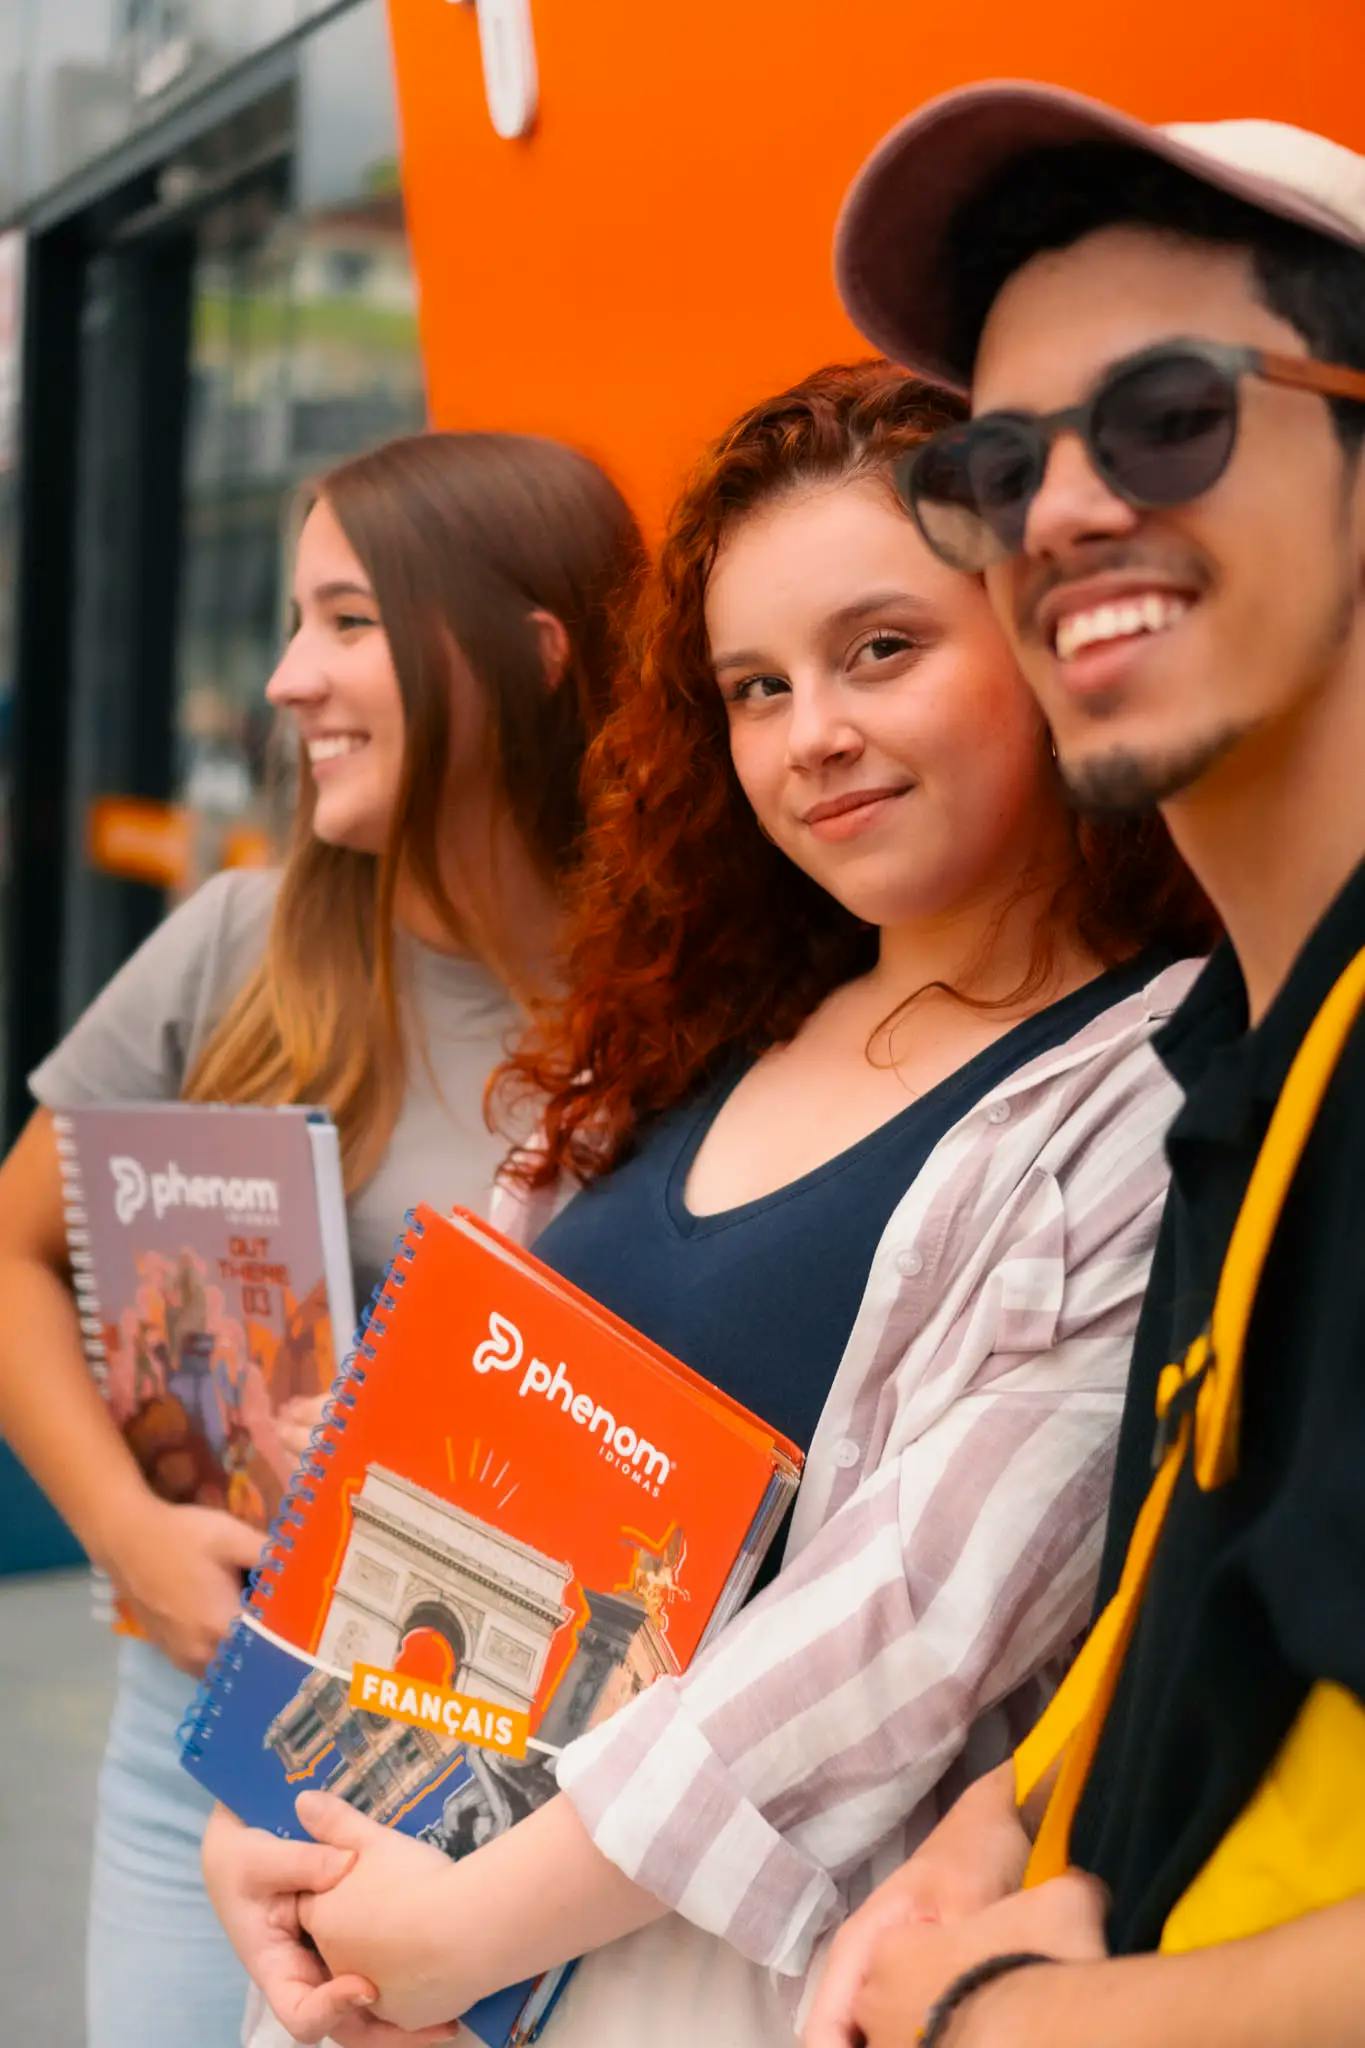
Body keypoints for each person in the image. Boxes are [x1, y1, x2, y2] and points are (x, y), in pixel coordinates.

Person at [201, 360, 1213, 2048]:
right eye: (753, 686)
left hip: (678, 1990)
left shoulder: (1147, 1086)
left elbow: (909, 1635)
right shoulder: (694, 1028)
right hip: (376, 1953)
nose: (810, 733)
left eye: (880, 650)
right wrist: (278, 1846)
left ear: (1045, 644)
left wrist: (453, 1932)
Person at [800, 83, 1365, 2048]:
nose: (1056, 511)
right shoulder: (1242, 1056)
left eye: (1170, 417)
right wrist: (999, 1812)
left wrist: (1002, 2025)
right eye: (998, 462)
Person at [0, 428, 645, 2048]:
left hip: (494, 1802)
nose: (287, 681)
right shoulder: (239, 943)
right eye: (294, 623)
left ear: (526, 655)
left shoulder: (683, 1015)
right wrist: (134, 1540)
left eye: (347, 621)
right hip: (196, 1723)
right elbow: (12, 1253)